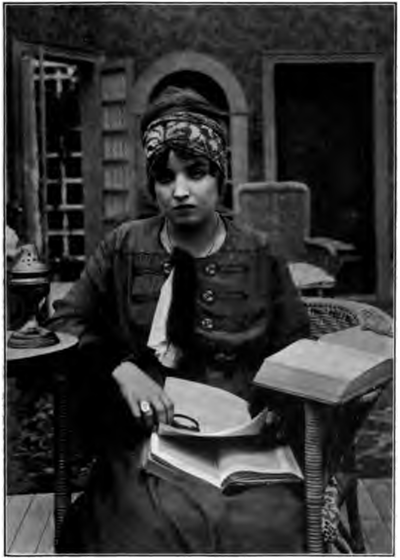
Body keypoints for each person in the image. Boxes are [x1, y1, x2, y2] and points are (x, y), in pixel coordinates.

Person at [48, 87, 310, 553]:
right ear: (152, 186)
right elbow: (67, 322)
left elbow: (296, 344)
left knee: (266, 530)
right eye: (166, 178)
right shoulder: (124, 245)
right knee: (143, 528)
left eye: (197, 173)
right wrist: (122, 368)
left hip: (246, 443)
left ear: (220, 176)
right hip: (152, 440)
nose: (181, 190)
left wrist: (275, 409)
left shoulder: (259, 250)